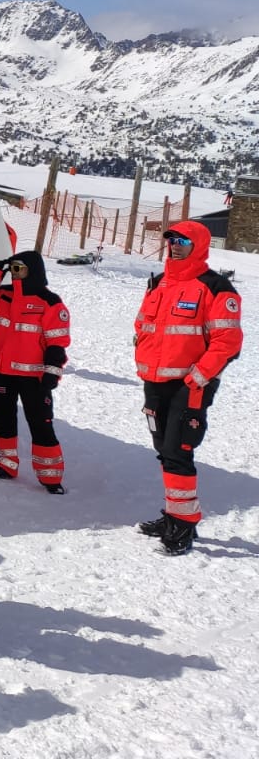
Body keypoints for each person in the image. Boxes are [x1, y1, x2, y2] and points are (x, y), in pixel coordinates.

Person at [133, 222, 243, 555]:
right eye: (171, 240)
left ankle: (183, 524)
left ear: (198, 245)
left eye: (182, 241)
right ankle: (173, 515)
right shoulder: (159, 283)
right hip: (155, 381)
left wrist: (198, 376)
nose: (175, 246)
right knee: (163, 449)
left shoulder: (216, 287)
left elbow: (228, 342)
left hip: (190, 385)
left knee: (179, 451)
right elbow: (143, 325)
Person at [0, 250, 71, 492]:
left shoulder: (50, 302)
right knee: (3, 420)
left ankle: (51, 477)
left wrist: (51, 374)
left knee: (41, 425)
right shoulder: (4, 295)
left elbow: (57, 343)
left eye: (20, 268)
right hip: (1, 373)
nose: (15, 273)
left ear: (33, 270)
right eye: (13, 268)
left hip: (34, 379)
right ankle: (6, 465)